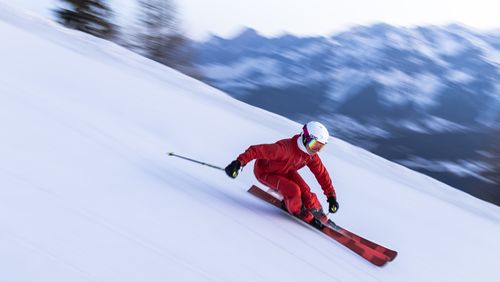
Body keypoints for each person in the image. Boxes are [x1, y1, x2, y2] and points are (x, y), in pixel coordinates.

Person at [225, 121, 339, 228]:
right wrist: (238, 163)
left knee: (305, 190)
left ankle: (317, 212)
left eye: (320, 147)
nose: (316, 151)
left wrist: (331, 196)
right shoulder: (283, 149)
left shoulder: (310, 156)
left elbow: (322, 174)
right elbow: (256, 150)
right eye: (314, 145)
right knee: (293, 190)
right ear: (305, 138)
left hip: (286, 170)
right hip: (265, 172)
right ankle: (300, 213)